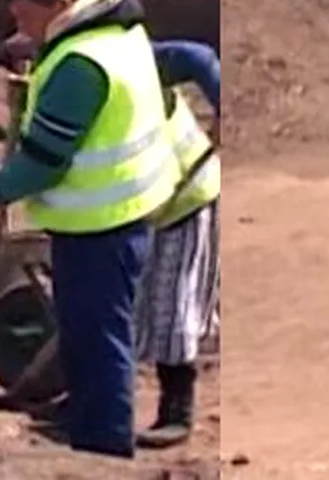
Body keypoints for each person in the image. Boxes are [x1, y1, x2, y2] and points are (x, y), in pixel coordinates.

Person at [0, 0, 179, 458]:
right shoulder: (120, 34)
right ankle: (91, 425)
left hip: (101, 222)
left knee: (99, 339)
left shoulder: (80, 65)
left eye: (26, 15)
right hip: (127, 208)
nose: (21, 27)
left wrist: (4, 185)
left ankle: (104, 448)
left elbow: (46, 158)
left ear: (62, 3)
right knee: (92, 333)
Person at [134, 40, 221, 449]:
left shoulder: (125, 55)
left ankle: (178, 410)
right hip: (144, 203)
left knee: (171, 304)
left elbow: (196, 58)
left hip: (185, 196)